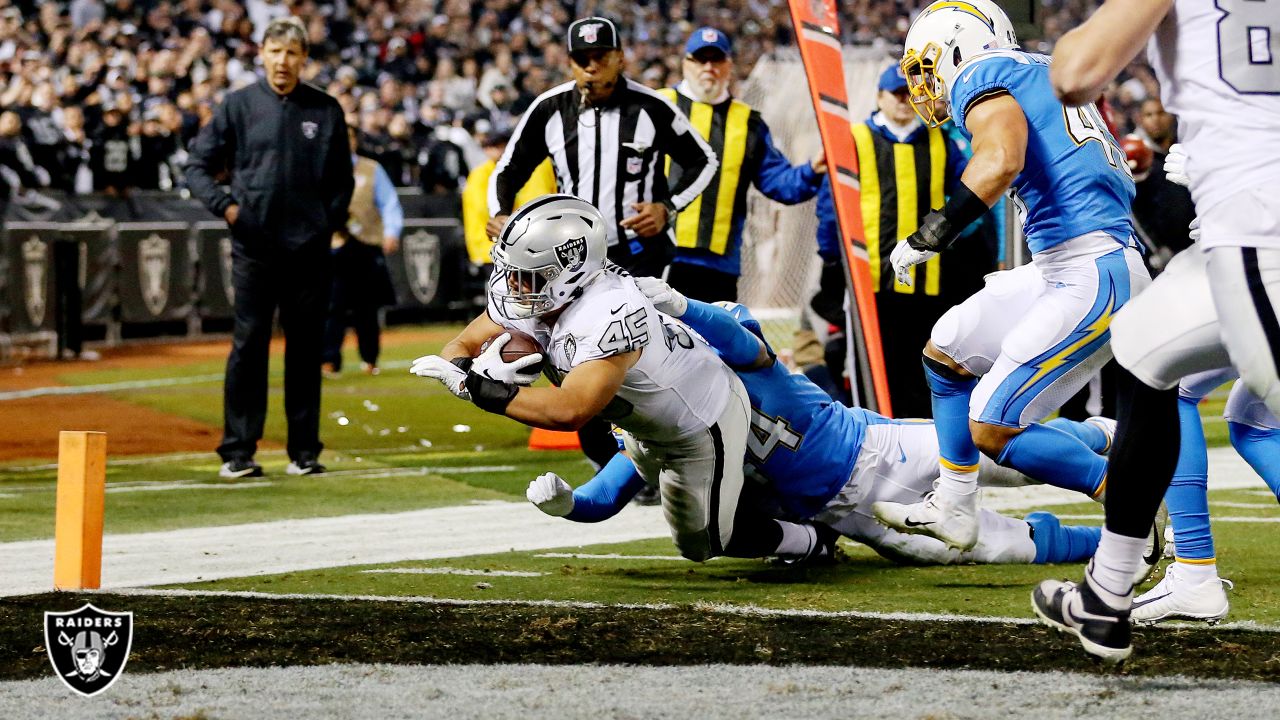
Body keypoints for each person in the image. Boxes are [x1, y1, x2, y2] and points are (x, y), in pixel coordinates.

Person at [529, 282, 1163, 576]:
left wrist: (682, 306)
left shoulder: (735, 357)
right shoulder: (664, 428)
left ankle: (1101, 439)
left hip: (875, 444)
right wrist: (567, 504)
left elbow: (739, 339)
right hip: (853, 513)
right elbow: (610, 492)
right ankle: (1116, 547)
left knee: (1000, 449)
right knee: (990, 547)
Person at [1030, 0, 1280, 662]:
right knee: (1141, 345)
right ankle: (1107, 593)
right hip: (1233, 234)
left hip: (1262, 226)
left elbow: (1074, 74)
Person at [871, 1, 1150, 557]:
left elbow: (1001, 160)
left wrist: (933, 232)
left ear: (957, 48)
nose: (927, 85)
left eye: (928, 66)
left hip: (1093, 268)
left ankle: (1129, 502)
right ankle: (954, 505)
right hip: (1065, 262)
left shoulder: (983, 73)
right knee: (946, 349)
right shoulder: (1036, 70)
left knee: (991, 428)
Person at [411, 195, 830, 564]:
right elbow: (464, 341)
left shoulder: (610, 311)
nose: (513, 286)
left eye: (528, 274)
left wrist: (481, 389)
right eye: (512, 271)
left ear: (571, 270)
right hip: (642, 419)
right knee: (625, 485)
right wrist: (463, 368)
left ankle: (811, 541)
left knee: (704, 544)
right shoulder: (546, 291)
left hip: (701, 421)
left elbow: (571, 411)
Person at [185, 16, 353, 479]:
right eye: (275, 51)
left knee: (305, 349)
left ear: (304, 58)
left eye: (292, 53)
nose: (283, 61)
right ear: (261, 54)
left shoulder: (325, 108)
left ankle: (304, 452)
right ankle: (238, 451)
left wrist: (326, 224)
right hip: (254, 247)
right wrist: (228, 207)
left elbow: (343, 180)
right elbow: (196, 166)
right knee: (249, 344)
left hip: (309, 250)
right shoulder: (237, 106)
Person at [813, 64, 990, 418]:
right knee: (873, 365)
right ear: (879, 97)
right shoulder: (855, 139)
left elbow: (972, 194)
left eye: (910, 94)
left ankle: (922, 443)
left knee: (922, 366)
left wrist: (956, 239)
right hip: (872, 281)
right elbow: (831, 203)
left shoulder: (942, 141)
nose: (903, 102)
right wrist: (833, 257)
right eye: (895, 94)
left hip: (930, 280)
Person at [486, 16, 719, 280]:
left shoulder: (652, 107)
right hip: (573, 252)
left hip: (640, 252)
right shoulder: (549, 109)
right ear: (569, 63)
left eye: (601, 57)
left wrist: (667, 208)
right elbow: (509, 168)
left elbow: (704, 160)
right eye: (582, 59)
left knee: (639, 321)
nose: (591, 67)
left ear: (620, 58)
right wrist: (500, 213)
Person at [659, 26, 826, 303]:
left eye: (717, 60)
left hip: (719, 267)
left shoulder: (749, 123)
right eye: (701, 59)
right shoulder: (659, 105)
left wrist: (812, 169)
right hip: (661, 256)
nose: (709, 67)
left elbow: (779, 183)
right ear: (685, 63)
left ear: (729, 66)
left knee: (713, 346)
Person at [321, 124, 403, 378]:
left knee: (366, 307)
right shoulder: (322, 168)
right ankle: (328, 359)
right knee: (331, 305)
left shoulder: (371, 168)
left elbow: (389, 203)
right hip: (333, 245)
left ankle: (370, 358)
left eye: (349, 138)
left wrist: (392, 231)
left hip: (366, 245)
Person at [461, 130, 556, 272]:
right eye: (493, 146)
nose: (498, 151)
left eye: (502, 145)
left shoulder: (538, 166)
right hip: (490, 251)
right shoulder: (480, 175)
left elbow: (537, 203)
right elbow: (482, 214)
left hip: (534, 246)